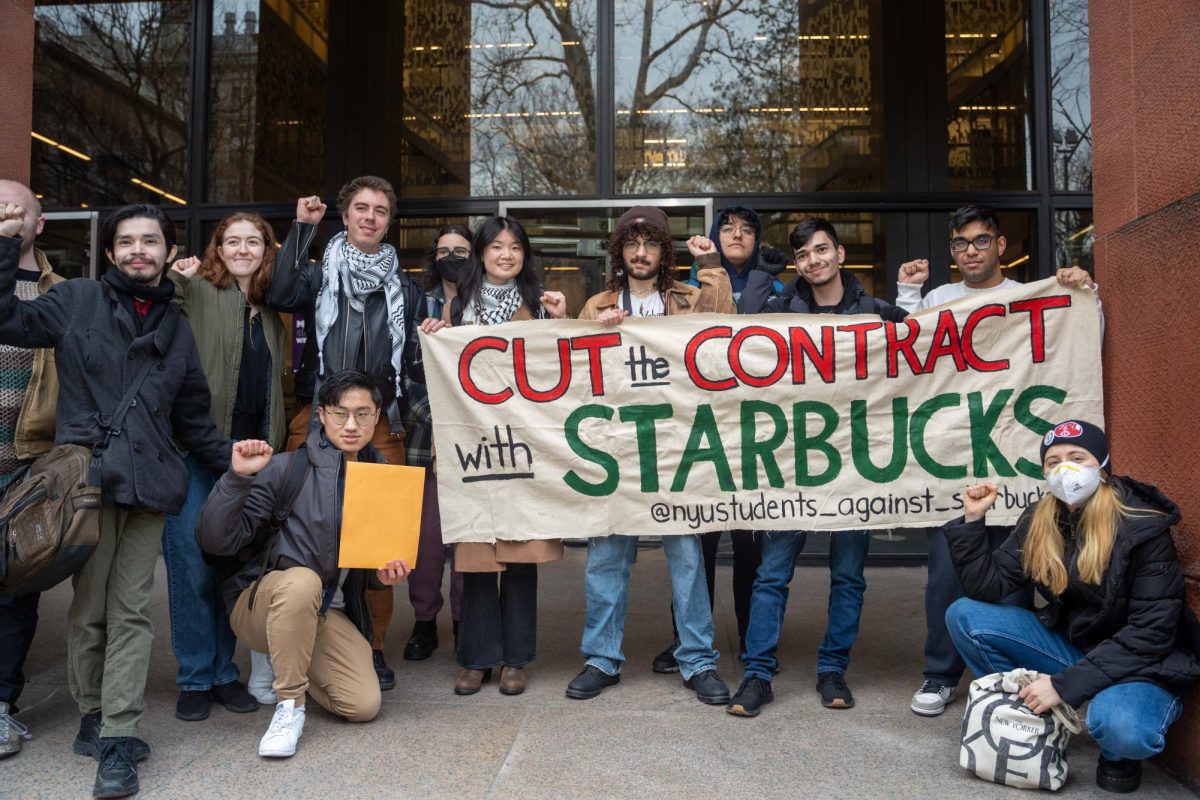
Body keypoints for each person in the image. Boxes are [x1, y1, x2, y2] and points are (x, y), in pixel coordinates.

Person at [0, 202, 230, 799]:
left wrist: (235, 462)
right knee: (90, 612)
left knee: (129, 611)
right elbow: (6, 320)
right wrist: (4, 242)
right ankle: (91, 713)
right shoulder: (76, 301)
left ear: (165, 250)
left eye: (149, 241)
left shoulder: (176, 326)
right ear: (109, 252)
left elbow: (194, 418)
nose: (136, 250)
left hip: (150, 486)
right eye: (126, 241)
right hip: (85, 487)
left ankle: (117, 737)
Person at [896, 204, 1100, 717]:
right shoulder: (940, 299)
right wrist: (906, 295)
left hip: (1015, 465)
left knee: (1015, 578)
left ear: (1001, 246)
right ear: (951, 250)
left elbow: (1082, 340)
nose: (970, 251)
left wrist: (1084, 295)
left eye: (981, 241)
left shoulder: (1028, 298)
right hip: (951, 463)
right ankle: (939, 675)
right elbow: (900, 357)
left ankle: (1006, 678)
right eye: (961, 243)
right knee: (946, 576)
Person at [944, 420, 1199, 794]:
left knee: (1123, 731)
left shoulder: (1142, 526)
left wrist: (1065, 685)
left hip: (1145, 665)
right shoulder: (1041, 518)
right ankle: (1035, 716)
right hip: (1080, 647)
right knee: (966, 615)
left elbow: (1151, 634)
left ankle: (1115, 752)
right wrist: (972, 519)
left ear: (1102, 465)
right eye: (1054, 461)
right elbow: (990, 586)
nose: (1065, 470)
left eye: (1077, 457)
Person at [729, 217, 908, 716]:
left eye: (821, 250)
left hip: (855, 467)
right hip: (793, 467)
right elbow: (737, 338)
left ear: (840, 254)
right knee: (772, 575)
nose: (814, 261)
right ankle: (757, 674)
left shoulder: (877, 313)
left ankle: (833, 670)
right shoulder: (779, 314)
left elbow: (928, 347)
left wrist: (912, 291)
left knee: (848, 575)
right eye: (804, 255)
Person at [565, 206, 735, 705]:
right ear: (620, 251)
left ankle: (698, 659)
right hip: (616, 450)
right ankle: (601, 658)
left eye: (651, 244)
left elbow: (728, 331)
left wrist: (710, 268)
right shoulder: (596, 304)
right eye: (632, 244)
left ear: (665, 252)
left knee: (686, 559)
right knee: (607, 559)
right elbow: (572, 374)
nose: (641, 253)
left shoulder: (688, 298)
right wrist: (595, 332)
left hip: (677, 449)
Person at [197, 369, 411, 759]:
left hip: (326, 612)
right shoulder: (286, 468)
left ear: (377, 417)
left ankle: (286, 659)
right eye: (339, 413)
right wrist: (236, 479)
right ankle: (289, 706)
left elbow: (367, 569)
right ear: (322, 415)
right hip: (265, 603)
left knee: (363, 705)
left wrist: (384, 577)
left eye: (362, 414)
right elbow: (217, 540)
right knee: (302, 582)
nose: (351, 425)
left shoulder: (383, 479)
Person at [266, 177, 427, 691]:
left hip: (382, 425)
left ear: (389, 220)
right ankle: (295, 642)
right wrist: (301, 230)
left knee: (379, 544)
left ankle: (372, 646)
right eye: (361, 208)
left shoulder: (405, 288)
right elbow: (278, 291)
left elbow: (423, 350)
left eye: (381, 210)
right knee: (301, 537)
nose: (371, 217)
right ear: (345, 214)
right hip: (316, 418)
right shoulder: (315, 275)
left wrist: (436, 331)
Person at [422, 215, 566, 696]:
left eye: (516, 247)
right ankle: (477, 658)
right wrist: (437, 336)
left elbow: (559, 369)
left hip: (524, 444)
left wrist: (560, 323)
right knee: (475, 549)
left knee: (521, 552)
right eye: (497, 246)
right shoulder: (457, 306)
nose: (507, 254)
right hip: (473, 445)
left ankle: (515, 658)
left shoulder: (540, 307)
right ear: (480, 253)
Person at [161, 213, 288, 722]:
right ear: (217, 248)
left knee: (233, 568)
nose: (241, 249)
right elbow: (147, 306)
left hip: (252, 458)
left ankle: (224, 674)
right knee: (192, 565)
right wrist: (177, 276)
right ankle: (195, 677)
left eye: (252, 241)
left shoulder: (271, 310)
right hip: (195, 451)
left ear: (266, 249)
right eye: (231, 241)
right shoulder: (196, 293)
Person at [653, 204, 767, 674]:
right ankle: (685, 638)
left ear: (758, 240)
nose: (737, 235)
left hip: (753, 437)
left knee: (749, 549)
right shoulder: (687, 288)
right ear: (714, 238)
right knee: (695, 548)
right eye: (728, 228)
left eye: (746, 230)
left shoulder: (775, 289)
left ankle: (750, 638)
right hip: (698, 435)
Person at [0, 180, 64, 760]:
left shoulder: (64, 294)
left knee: (14, 591)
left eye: (15, 208)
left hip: (26, 463)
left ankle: (0, 706)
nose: (4, 215)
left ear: (38, 225)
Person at [400, 224, 471, 661]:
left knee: (467, 542)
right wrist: (442, 422)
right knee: (424, 544)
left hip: (475, 445)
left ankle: (466, 622)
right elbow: (406, 373)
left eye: (461, 251)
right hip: (425, 440)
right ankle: (425, 622)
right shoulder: (416, 303)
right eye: (444, 251)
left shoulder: (484, 304)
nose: (451, 258)